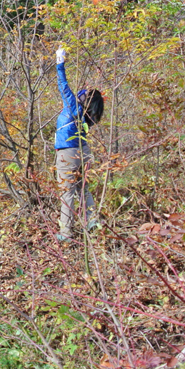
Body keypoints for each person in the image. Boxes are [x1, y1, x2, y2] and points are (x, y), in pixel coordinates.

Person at [54, 48, 104, 242]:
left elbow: (63, 85)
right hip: (84, 151)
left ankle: (66, 233)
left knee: (67, 192)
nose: (80, 94)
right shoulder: (87, 116)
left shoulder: (73, 107)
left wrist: (60, 63)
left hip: (68, 153)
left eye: (85, 94)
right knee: (84, 188)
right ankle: (92, 221)